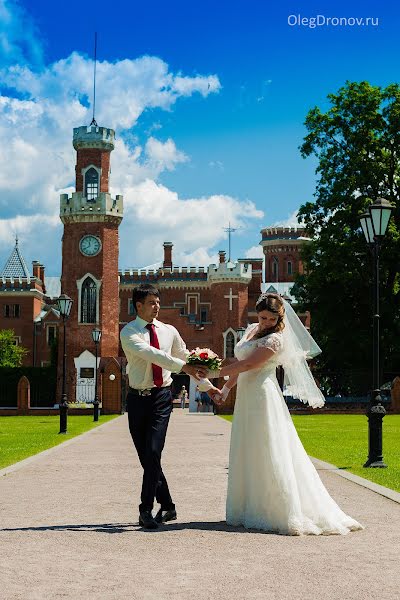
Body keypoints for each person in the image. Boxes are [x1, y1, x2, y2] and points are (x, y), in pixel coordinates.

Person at [212, 293, 364, 536]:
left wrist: (215, 373)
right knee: (247, 447)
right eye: (262, 317)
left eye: (271, 319)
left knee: (268, 446)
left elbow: (250, 364)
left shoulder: (276, 339)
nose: (265, 323)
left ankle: (279, 510)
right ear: (256, 313)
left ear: (279, 317)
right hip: (246, 397)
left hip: (263, 396)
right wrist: (226, 388)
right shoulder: (251, 329)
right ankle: (247, 505)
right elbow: (240, 364)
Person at [120, 283, 207, 529]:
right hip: (137, 399)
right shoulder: (129, 333)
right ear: (138, 306)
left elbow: (185, 356)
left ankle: (145, 510)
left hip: (161, 398)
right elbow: (154, 355)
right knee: (147, 457)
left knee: (153, 451)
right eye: (151, 303)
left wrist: (207, 378)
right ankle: (168, 506)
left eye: (158, 302)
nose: (157, 306)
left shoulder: (169, 330)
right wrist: (184, 367)